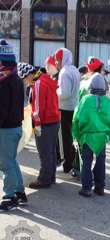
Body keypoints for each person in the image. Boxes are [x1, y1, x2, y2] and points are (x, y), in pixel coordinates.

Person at [72, 73, 110, 197]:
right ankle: (100, 186)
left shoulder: (85, 100)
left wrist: (76, 136)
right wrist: (109, 135)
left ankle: (86, 188)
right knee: (101, 161)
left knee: (86, 162)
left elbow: (76, 119)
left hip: (87, 136)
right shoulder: (108, 102)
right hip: (102, 137)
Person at [25, 58, 61, 189]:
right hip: (54, 120)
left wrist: (37, 124)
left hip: (45, 122)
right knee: (50, 150)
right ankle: (51, 177)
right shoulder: (49, 80)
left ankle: (44, 179)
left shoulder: (39, 83)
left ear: (30, 75)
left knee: (44, 152)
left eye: (25, 79)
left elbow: (38, 107)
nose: (26, 83)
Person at [0, 39, 27, 211]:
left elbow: (2, 109)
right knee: (12, 160)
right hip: (16, 126)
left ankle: (9, 196)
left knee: (5, 163)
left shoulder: (3, 81)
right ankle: (19, 191)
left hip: (6, 128)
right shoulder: (16, 78)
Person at [54, 48, 80, 174]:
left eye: (57, 60)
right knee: (70, 137)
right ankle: (71, 164)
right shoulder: (74, 70)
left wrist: (55, 90)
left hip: (64, 108)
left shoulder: (64, 72)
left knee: (64, 139)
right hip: (73, 106)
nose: (56, 63)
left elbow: (64, 93)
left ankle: (67, 165)